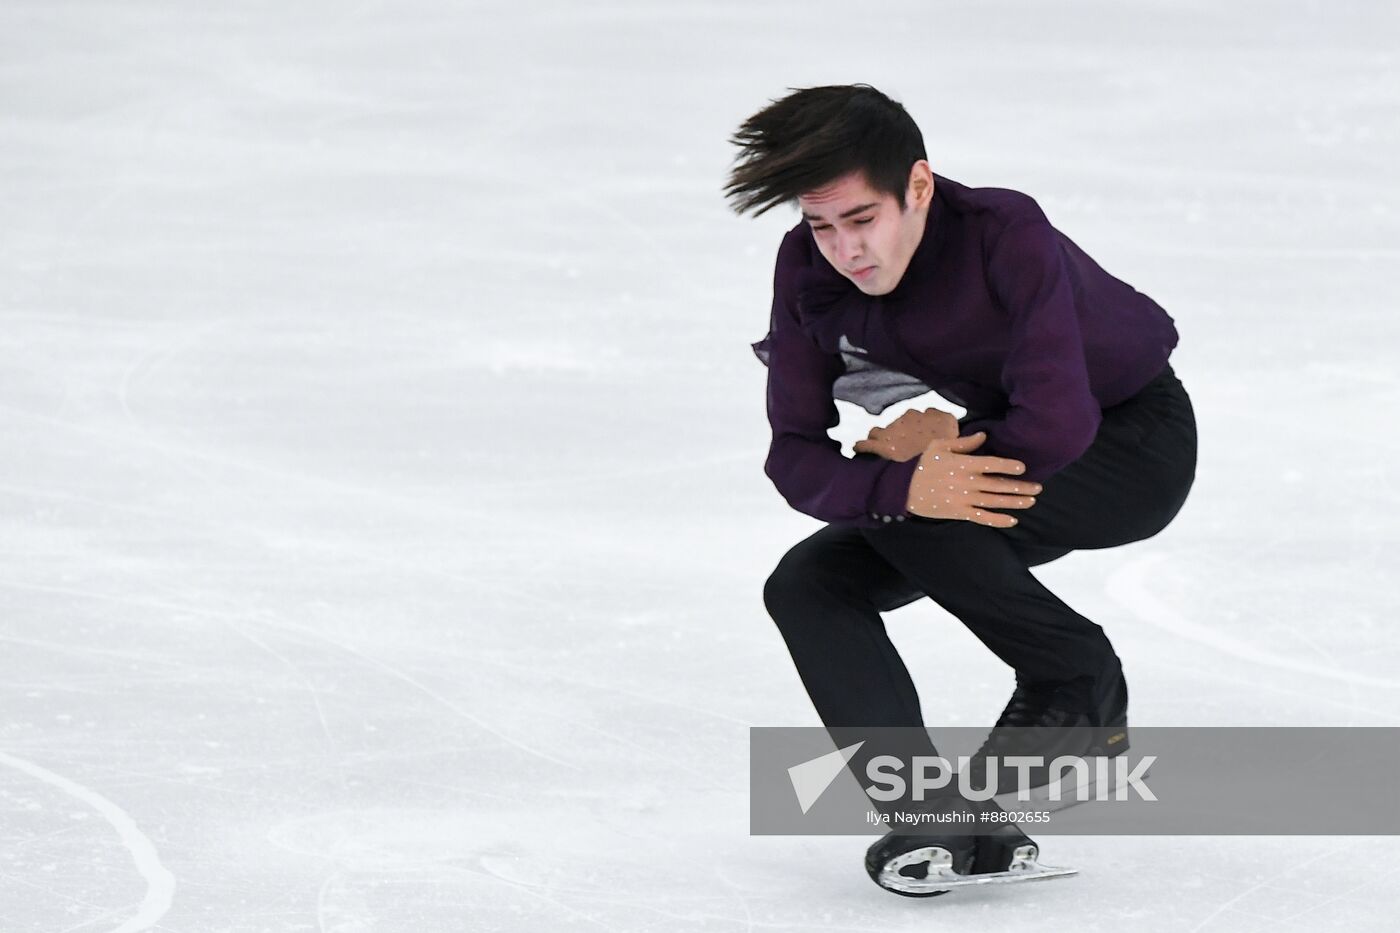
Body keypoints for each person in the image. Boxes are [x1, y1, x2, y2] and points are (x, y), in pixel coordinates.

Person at [723, 83, 1197, 895]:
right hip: (1007, 449)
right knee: (809, 584)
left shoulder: (1003, 231)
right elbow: (794, 456)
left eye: (862, 219)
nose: (844, 249)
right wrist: (912, 473)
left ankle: (1073, 679)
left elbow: (1056, 421)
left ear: (917, 186)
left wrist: (932, 461)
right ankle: (930, 817)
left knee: (909, 506)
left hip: (1130, 445)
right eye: (820, 225)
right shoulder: (808, 267)